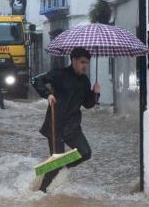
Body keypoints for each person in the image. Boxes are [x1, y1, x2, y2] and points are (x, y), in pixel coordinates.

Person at [32, 47, 101, 192]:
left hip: (73, 127)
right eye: (82, 62)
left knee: (85, 153)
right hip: (55, 125)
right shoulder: (59, 74)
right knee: (56, 162)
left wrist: (95, 94)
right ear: (73, 60)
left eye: (87, 63)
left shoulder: (85, 81)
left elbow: (87, 104)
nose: (85, 66)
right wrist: (47, 94)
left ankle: (54, 167)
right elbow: (35, 80)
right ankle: (41, 192)